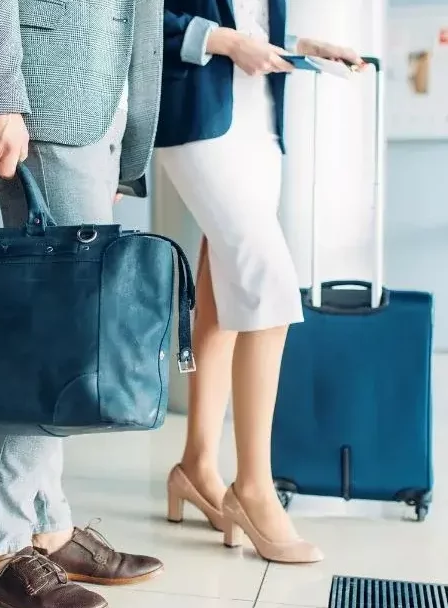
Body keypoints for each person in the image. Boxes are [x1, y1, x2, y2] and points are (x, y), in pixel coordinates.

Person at [0, 1, 165, 606]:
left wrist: (123, 141)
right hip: (38, 90)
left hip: (95, 97)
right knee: (59, 333)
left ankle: (48, 526)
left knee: (60, 328)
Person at [156, 0, 363, 563]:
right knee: (269, 288)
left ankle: (196, 464)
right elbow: (141, 19)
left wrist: (305, 48)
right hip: (197, 115)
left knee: (228, 285)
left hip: (261, 121)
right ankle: (252, 488)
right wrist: (224, 42)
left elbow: (254, 23)